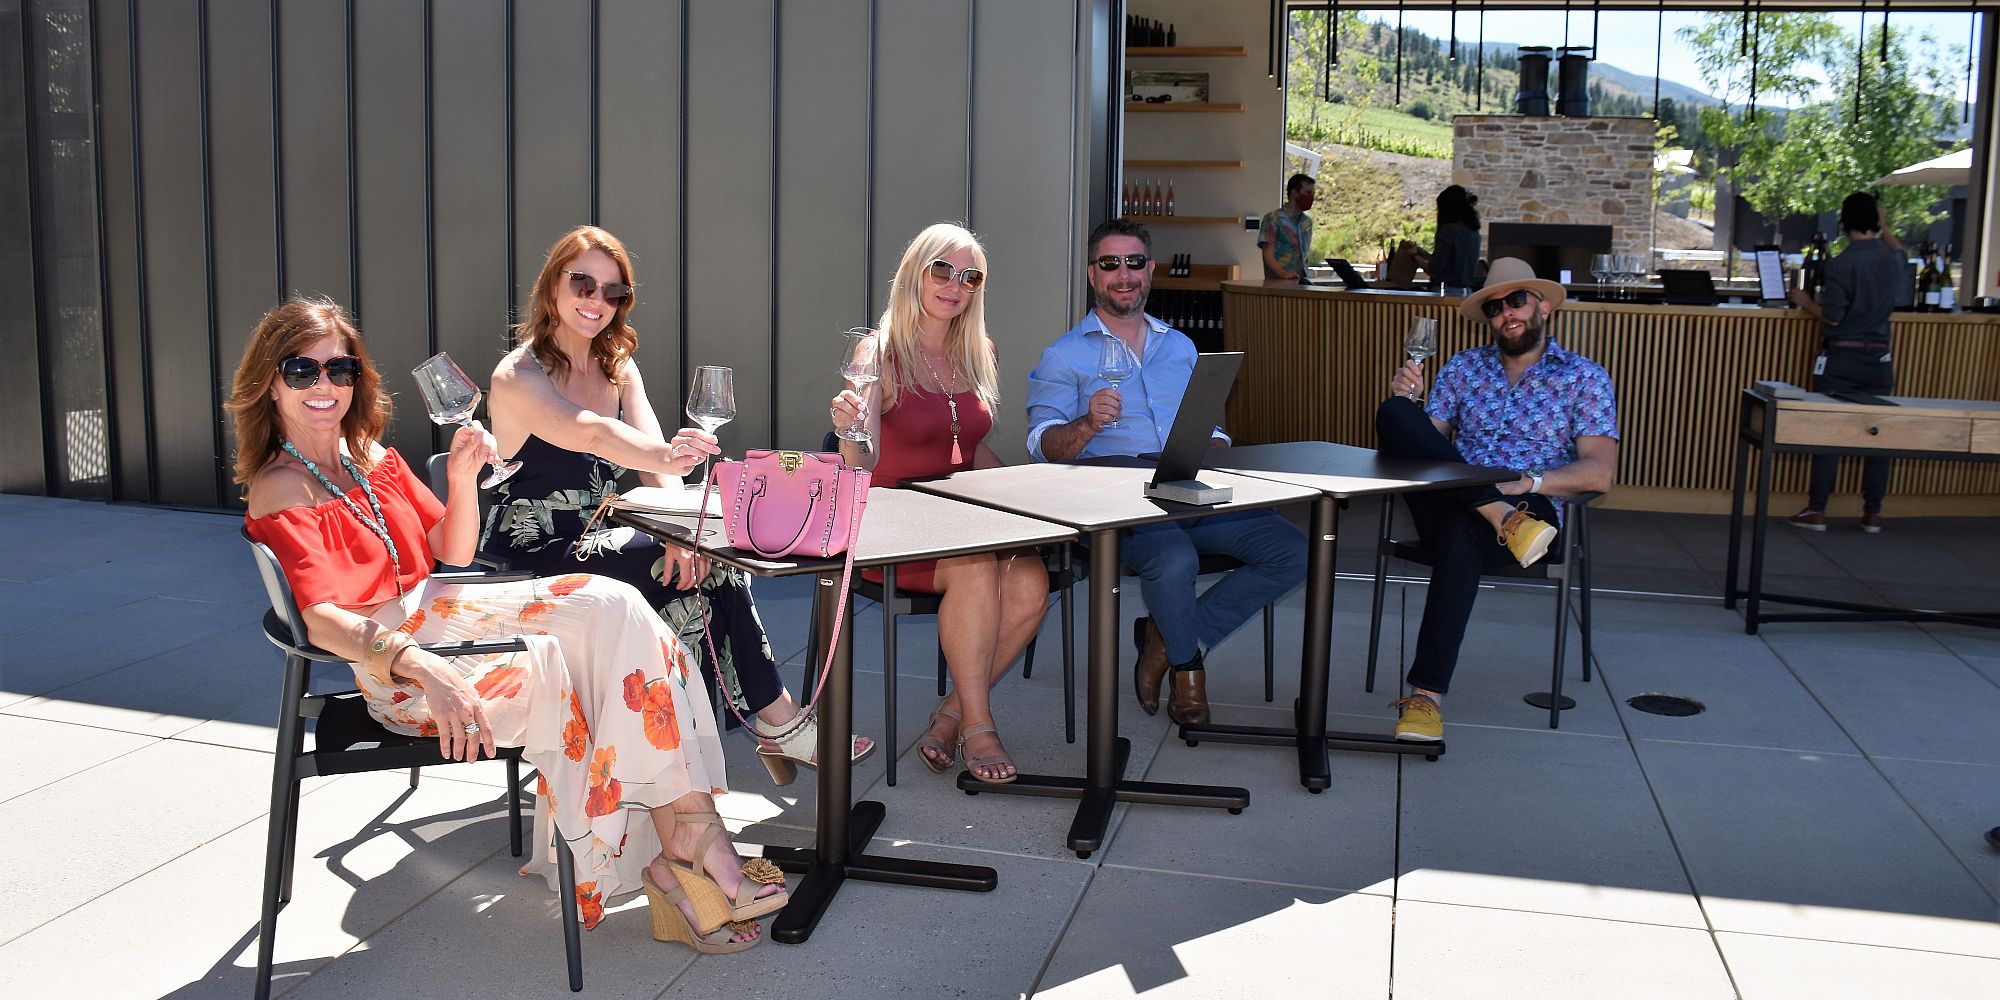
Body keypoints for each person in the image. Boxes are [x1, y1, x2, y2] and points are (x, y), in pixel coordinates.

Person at [233, 297, 784, 953]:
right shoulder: (283, 486)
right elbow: (320, 620)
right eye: (302, 371)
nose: (325, 385)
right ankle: (685, 847)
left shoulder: (366, 454)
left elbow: (453, 550)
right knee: (596, 667)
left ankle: (686, 839)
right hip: (404, 669)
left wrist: (464, 476)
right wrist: (421, 665)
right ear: (269, 380)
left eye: (340, 369)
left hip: (451, 611)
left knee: (615, 608)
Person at [485, 226, 873, 786]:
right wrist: (670, 456)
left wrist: (681, 533)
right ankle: (740, 739)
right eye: (583, 285)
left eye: (613, 292)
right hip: (531, 551)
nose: (597, 302)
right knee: (677, 577)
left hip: (606, 533)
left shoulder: (616, 365)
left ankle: (711, 748)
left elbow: (654, 472)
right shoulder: (517, 376)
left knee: (708, 564)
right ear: (552, 289)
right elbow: (594, 435)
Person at [1026, 217, 1308, 726]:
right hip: (1111, 499)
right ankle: (1187, 668)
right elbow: (1043, 448)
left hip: (1185, 484)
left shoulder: (1178, 346)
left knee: (1292, 552)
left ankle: (1172, 635)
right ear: (1093, 275)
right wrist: (1088, 423)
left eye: (1134, 262)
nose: (1124, 274)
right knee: (1174, 560)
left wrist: (1217, 445)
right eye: (1110, 264)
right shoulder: (1063, 356)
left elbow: (1210, 424)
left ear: (1151, 270)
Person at [828, 222, 1050, 784]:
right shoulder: (879, 351)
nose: (955, 285)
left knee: (1030, 581)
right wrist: (850, 430)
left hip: (956, 516)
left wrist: (1032, 491)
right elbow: (859, 461)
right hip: (892, 522)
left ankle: (949, 713)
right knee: (977, 564)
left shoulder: (978, 351)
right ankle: (979, 725)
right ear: (915, 273)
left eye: (970, 276)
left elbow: (967, 449)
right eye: (942, 270)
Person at [1378, 257, 1619, 742]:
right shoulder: (1463, 367)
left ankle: (1426, 697)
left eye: (1516, 300)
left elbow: (1601, 471)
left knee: (1461, 533)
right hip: (1457, 498)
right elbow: (1428, 446)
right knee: (1394, 412)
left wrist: (1527, 484)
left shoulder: (1583, 377)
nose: (1506, 313)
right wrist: (1415, 402)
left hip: (1535, 510)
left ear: (1544, 307)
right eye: (1495, 306)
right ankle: (1496, 513)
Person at [1786, 191, 1908, 533]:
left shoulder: (1842, 264)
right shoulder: (1892, 259)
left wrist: (1806, 302)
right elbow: (1900, 250)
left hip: (1842, 357)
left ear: (1844, 222)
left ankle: (1817, 510)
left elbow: (1834, 317)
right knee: (1878, 434)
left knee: (1830, 432)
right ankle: (1872, 512)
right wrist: (1884, 226)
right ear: (1875, 221)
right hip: (1880, 358)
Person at [1258, 173, 1316, 282]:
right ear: (1294, 193)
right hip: (1278, 284)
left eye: (1313, 194)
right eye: (1308, 193)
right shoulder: (1273, 218)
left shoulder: (1307, 223)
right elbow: (1267, 254)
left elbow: (1304, 256)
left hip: (1302, 282)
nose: (1311, 197)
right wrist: (1283, 274)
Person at [1428, 185, 1482, 292]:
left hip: (1445, 292)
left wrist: (1414, 256)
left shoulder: (1448, 230)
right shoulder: (1474, 232)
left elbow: (1434, 269)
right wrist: (1420, 253)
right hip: (1466, 291)